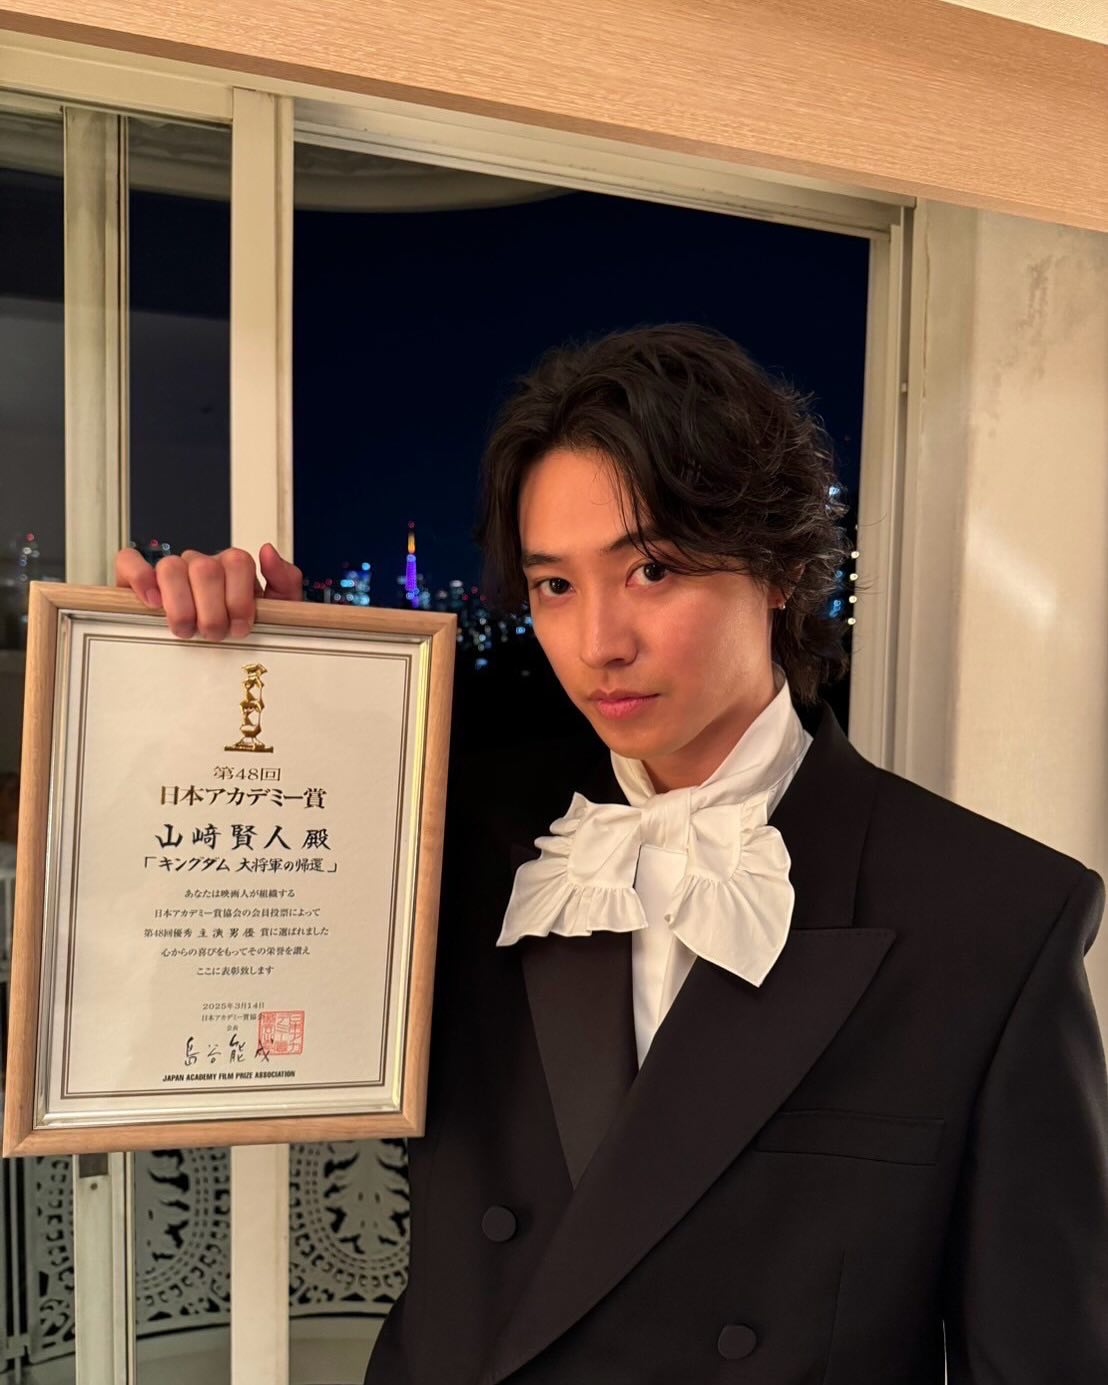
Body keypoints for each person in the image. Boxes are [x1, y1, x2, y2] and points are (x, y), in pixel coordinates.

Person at [115, 323, 1108, 1384]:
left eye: (651, 569)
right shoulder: (443, 838)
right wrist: (235, 676)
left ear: (779, 566)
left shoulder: (993, 916)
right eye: (555, 585)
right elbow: (183, 979)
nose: (599, 643)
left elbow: (1042, 1353)